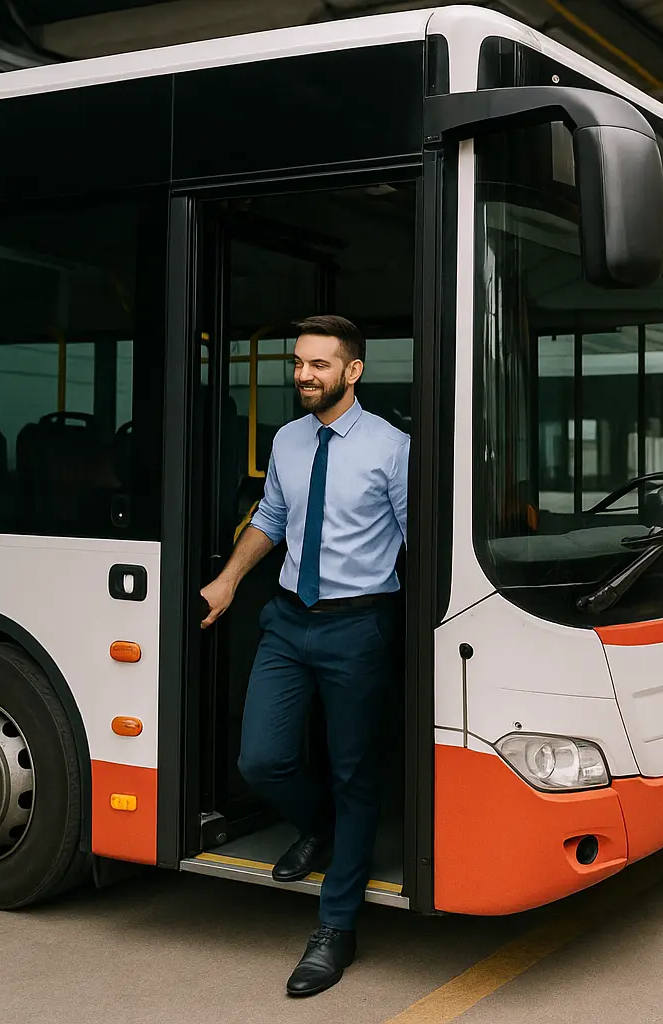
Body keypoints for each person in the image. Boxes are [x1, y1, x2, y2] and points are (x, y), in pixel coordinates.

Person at [199, 314, 409, 997]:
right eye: (298, 362)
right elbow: (272, 517)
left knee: (356, 776)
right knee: (261, 756)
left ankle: (336, 927)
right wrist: (230, 580)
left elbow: (417, 542)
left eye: (318, 364)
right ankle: (317, 828)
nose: (302, 375)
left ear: (352, 372)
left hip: (359, 626)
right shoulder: (287, 439)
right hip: (288, 619)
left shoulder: (392, 447)